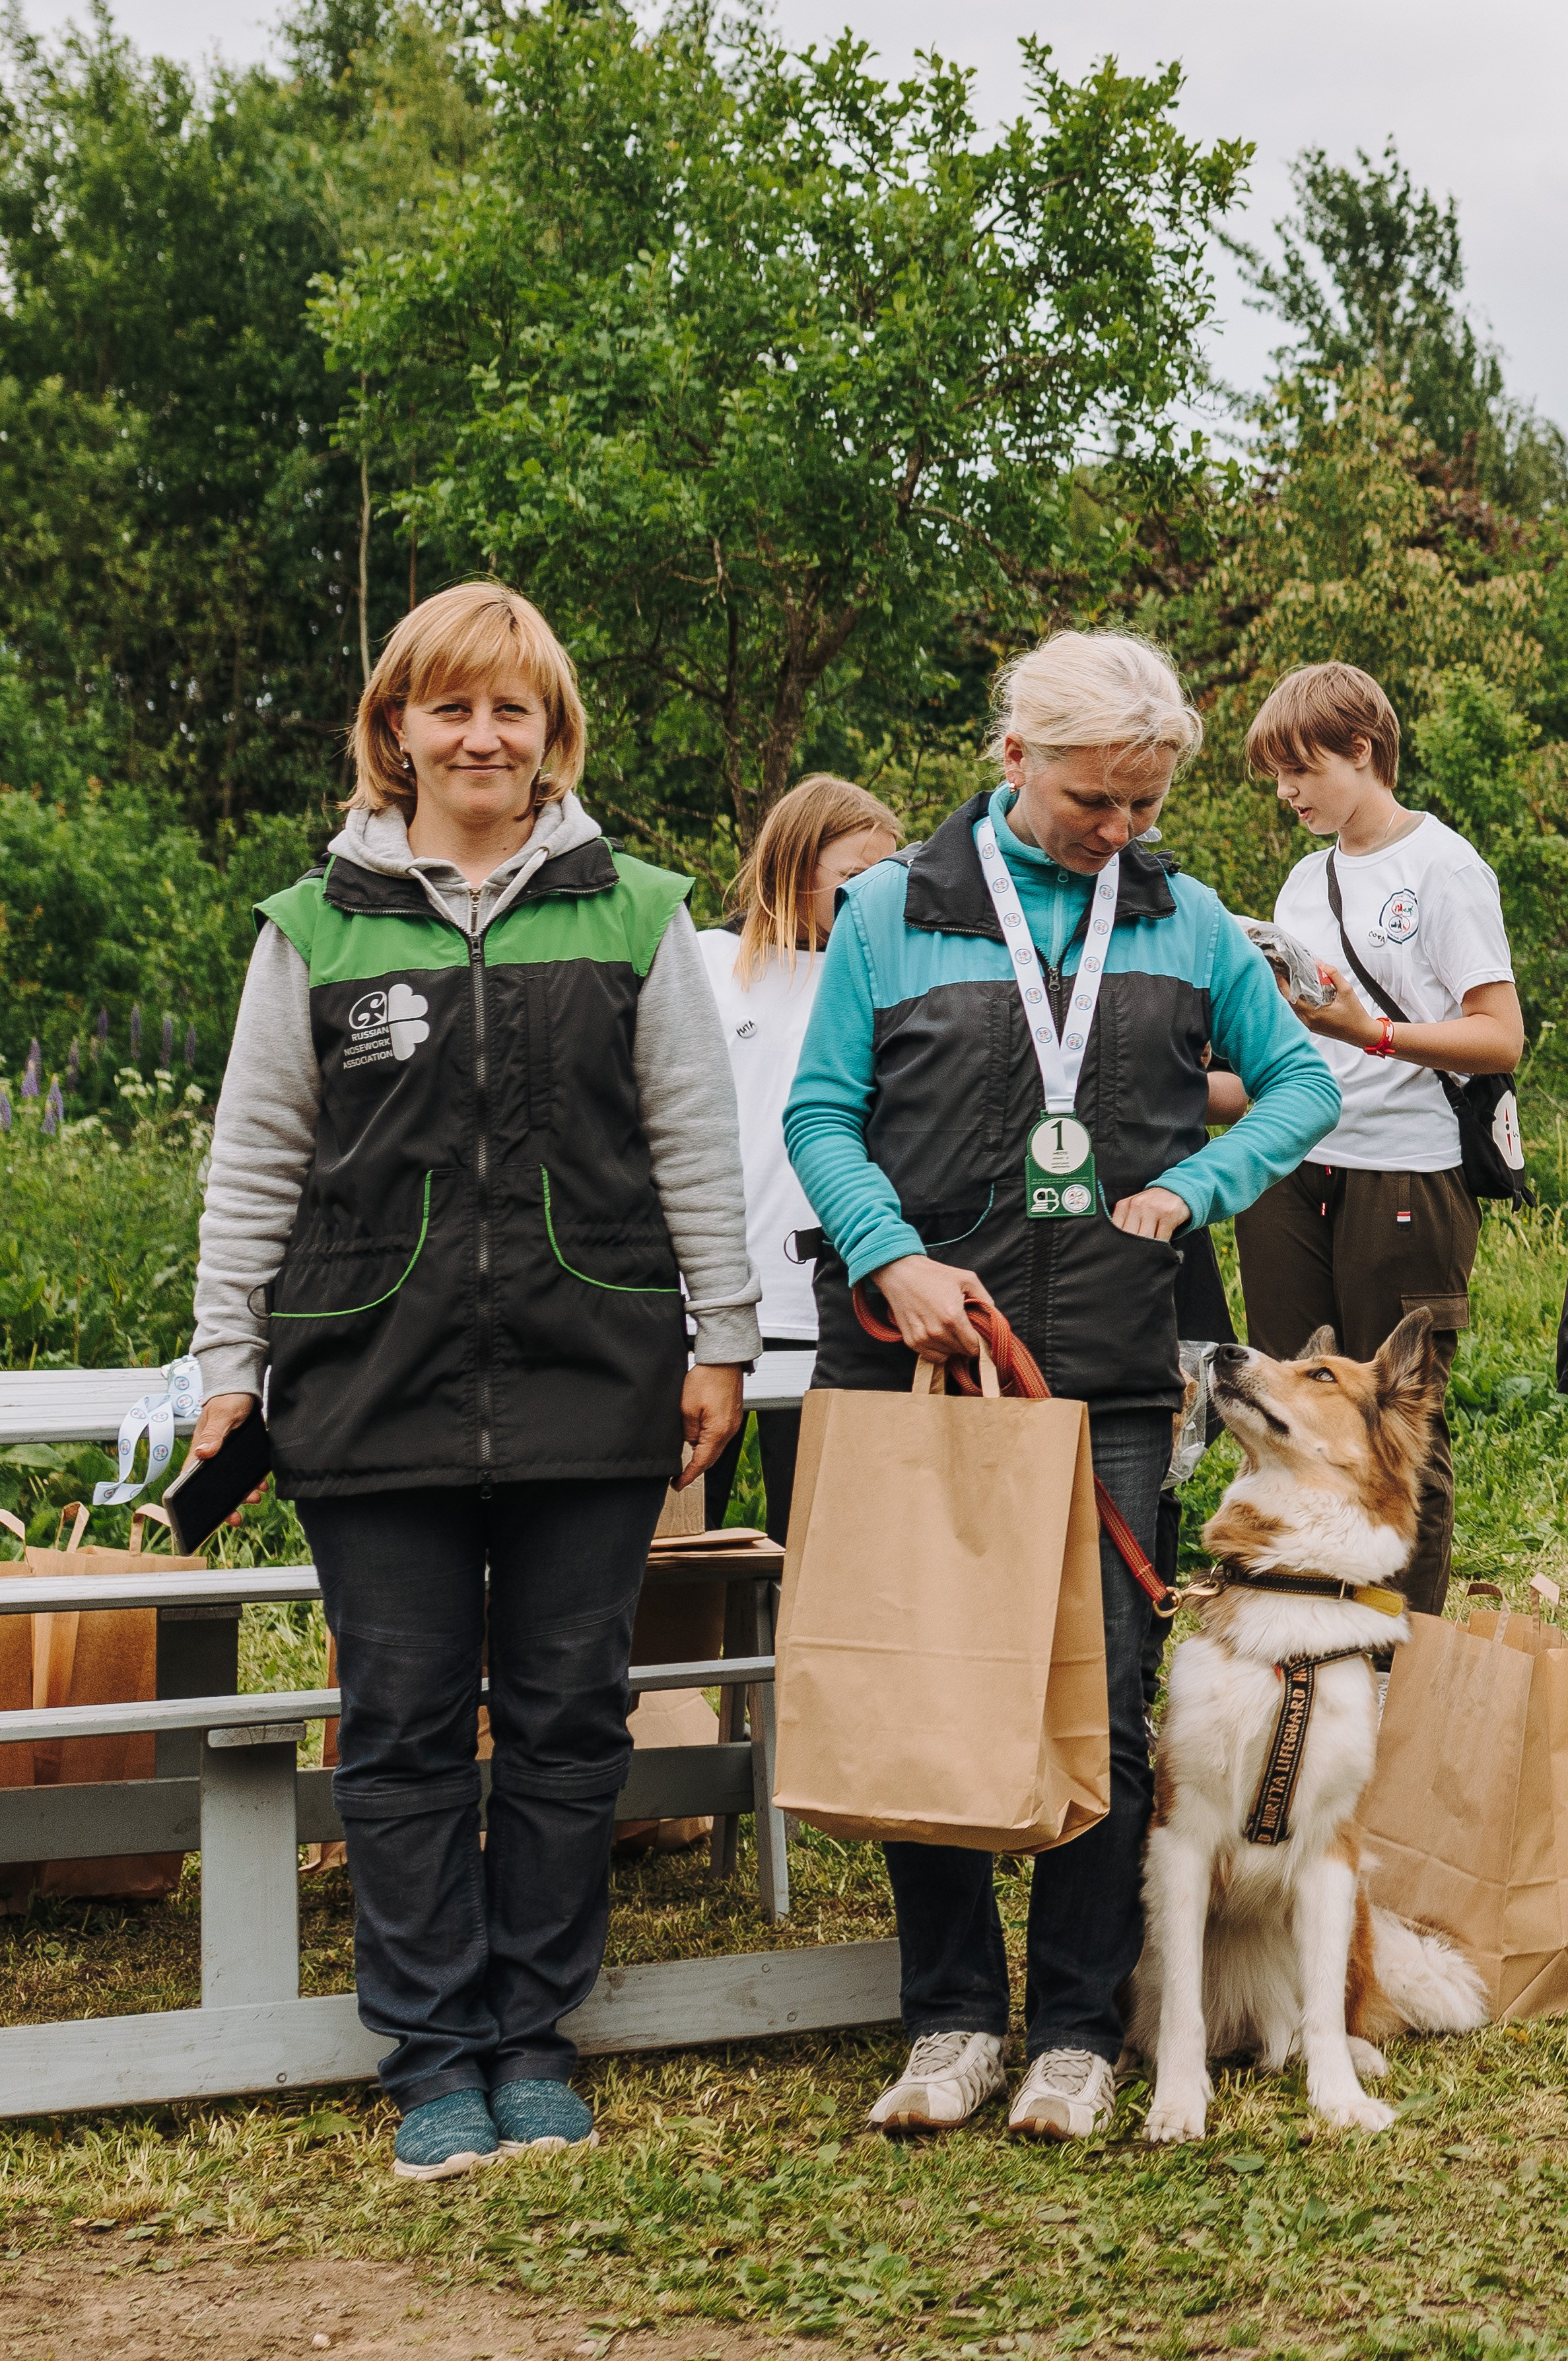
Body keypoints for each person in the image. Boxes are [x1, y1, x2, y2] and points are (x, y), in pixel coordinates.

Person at [187, 582, 761, 2181]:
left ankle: (533, 2031)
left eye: (511, 708)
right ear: (396, 731)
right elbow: (255, 1163)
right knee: (404, 1723)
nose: (481, 734)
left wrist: (721, 1338)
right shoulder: (312, 924)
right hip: (370, 1377)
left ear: (551, 732)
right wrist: (229, 1368)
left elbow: (696, 1147)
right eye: (450, 706)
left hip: (597, 1368)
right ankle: (433, 2048)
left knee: (573, 1716)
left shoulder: (639, 908)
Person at [783, 628, 1341, 2143]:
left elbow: (1302, 1082)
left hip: (1105, 1368)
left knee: (1102, 1696)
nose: (1117, 831)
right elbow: (819, 1114)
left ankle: (1077, 2028)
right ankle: (949, 2017)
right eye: (1094, 799)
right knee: (929, 1676)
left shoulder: (1189, 919)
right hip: (918, 1363)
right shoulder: (887, 911)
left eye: (1141, 805)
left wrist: (1201, 1184)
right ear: (1013, 759)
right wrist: (887, 1257)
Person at [1234, 661, 1524, 1616]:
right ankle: (1298, 1647)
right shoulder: (1303, 881)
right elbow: (1291, 1034)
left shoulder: (1443, 866)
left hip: (1405, 1172)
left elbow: (1498, 1035)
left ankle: (1403, 1664)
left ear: (1362, 749)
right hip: (1294, 1166)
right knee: (1282, 1417)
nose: (1286, 792)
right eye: (1275, 776)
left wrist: (1375, 1033)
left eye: (1300, 770)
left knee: (1399, 1434)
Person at [697, 774, 902, 1542]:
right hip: (707, 1305)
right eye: (852, 879)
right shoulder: (703, 960)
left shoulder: (887, 981)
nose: (868, 901)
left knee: (820, 1544)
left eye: (884, 882)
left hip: (832, 1309)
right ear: (793, 862)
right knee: (673, 1542)